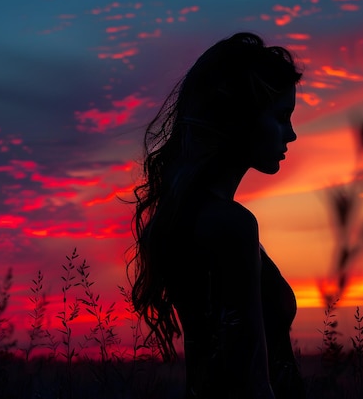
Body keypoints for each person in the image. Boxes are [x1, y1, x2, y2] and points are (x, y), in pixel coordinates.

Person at [129, 32, 305, 399]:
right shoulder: (231, 225)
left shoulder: (189, 217)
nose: (291, 134)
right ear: (241, 118)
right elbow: (252, 381)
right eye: (281, 117)